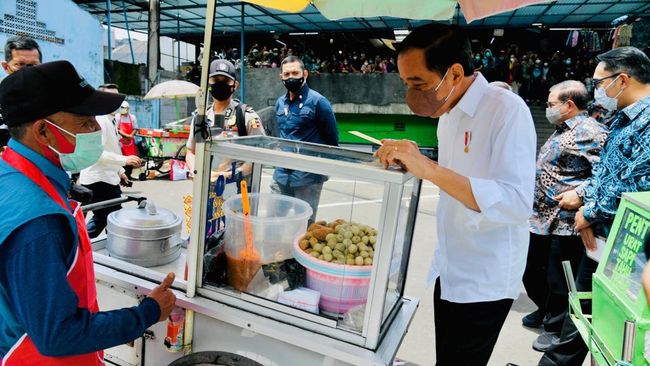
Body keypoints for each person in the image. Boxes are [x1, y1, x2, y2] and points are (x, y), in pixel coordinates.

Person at [374, 24, 536, 366]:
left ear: (455, 72)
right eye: (406, 83)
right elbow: (457, 179)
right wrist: (419, 162)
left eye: (418, 82)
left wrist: (428, 169)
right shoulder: (446, 115)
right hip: (449, 265)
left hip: (484, 277)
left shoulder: (507, 110)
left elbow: (517, 203)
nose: (412, 93)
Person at [0, 60, 176, 364]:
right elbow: (58, 335)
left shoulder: (12, 174)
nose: (96, 129)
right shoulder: (39, 221)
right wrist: (147, 312)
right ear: (43, 131)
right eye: (85, 122)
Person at [539, 46, 650, 366]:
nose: (596, 91)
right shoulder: (622, 118)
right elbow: (607, 171)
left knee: (614, 319)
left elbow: (637, 185)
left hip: (629, 241)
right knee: (585, 307)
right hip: (603, 234)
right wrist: (585, 192)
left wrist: (588, 210)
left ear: (623, 79)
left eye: (599, 83)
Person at [522, 80, 608, 352]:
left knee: (559, 279)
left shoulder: (591, 131)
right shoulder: (564, 128)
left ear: (569, 105)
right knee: (534, 272)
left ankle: (556, 327)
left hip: (566, 222)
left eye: (551, 104)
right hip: (541, 218)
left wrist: (580, 195)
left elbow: (603, 173)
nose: (548, 109)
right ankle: (546, 310)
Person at [272, 56, 338, 224]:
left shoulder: (319, 102)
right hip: (281, 175)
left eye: (295, 73)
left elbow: (332, 141)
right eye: (286, 74)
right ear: (281, 77)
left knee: (305, 226)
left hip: (308, 178)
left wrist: (320, 168)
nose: (291, 77)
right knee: (275, 221)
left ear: (305, 74)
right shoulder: (280, 103)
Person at [79, 83, 143, 238]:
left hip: (106, 177)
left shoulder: (111, 119)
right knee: (108, 218)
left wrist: (121, 171)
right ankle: (79, 245)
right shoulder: (101, 120)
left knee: (110, 218)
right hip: (99, 179)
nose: (116, 102)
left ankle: (106, 248)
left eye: (117, 97)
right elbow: (96, 153)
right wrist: (125, 160)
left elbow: (111, 149)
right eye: (110, 97)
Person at [185, 59, 265, 179]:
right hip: (204, 187)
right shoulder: (200, 117)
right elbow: (191, 152)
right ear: (208, 83)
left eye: (226, 81)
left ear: (235, 85)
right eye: (216, 80)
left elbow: (260, 155)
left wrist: (232, 174)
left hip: (237, 188)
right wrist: (195, 170)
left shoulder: (246, 116)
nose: (220, 84)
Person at [1, 36, 42, 148]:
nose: (27, 72)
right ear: (6, 67)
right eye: (20, 65)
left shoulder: (50, 96)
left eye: (33, 65)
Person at [116, 101, 138, 179]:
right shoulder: (117, 117)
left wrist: (131, 135)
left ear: (128, 109)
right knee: (122, 159)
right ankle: (122, 175)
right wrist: (126, 136)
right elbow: (117, 129)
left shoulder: (132, 117)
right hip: (121, 141)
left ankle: (128, 175)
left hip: (130, 142)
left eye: (124, 108)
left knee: (131, 158)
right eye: (121, 108)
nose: (123, 109)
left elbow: (135, 128)